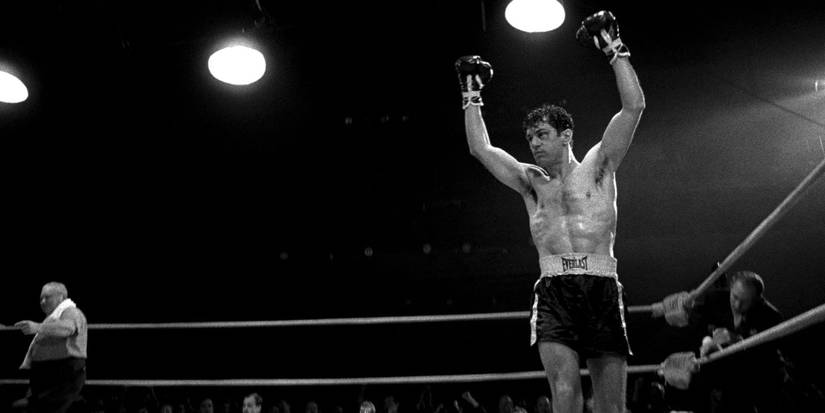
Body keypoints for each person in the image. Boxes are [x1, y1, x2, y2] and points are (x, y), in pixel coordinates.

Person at [455, 10, 644, 413]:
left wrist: (614, 49)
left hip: (601, 284)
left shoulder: (599, 166)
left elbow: (633, 108)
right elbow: (480, 148)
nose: (535, 143)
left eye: (542, 135)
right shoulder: (530, 182)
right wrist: (471, 94)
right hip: (555, 289)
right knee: (564, 394)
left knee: (611, 406)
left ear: (566, 136)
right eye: (530, 138)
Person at [690, 270, 790, 412]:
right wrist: (706, 342)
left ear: (757, 299)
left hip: (755, 371)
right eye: (735, 297)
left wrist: (738, 340)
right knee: (695, 378)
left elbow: (765, 357)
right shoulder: (715, 299)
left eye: (745, 301)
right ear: (730, 288)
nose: (737, 305)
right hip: (721, 363)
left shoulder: (770, 316)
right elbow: (700, 328)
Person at [13, 282, 88, 413]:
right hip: (47, 374)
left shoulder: (71, 312)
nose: (42, 301)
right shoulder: (52, 318)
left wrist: (37, 327)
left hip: (63, 373)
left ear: (61, 297)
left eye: (47, 297)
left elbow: (67, 328)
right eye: (41, 298)